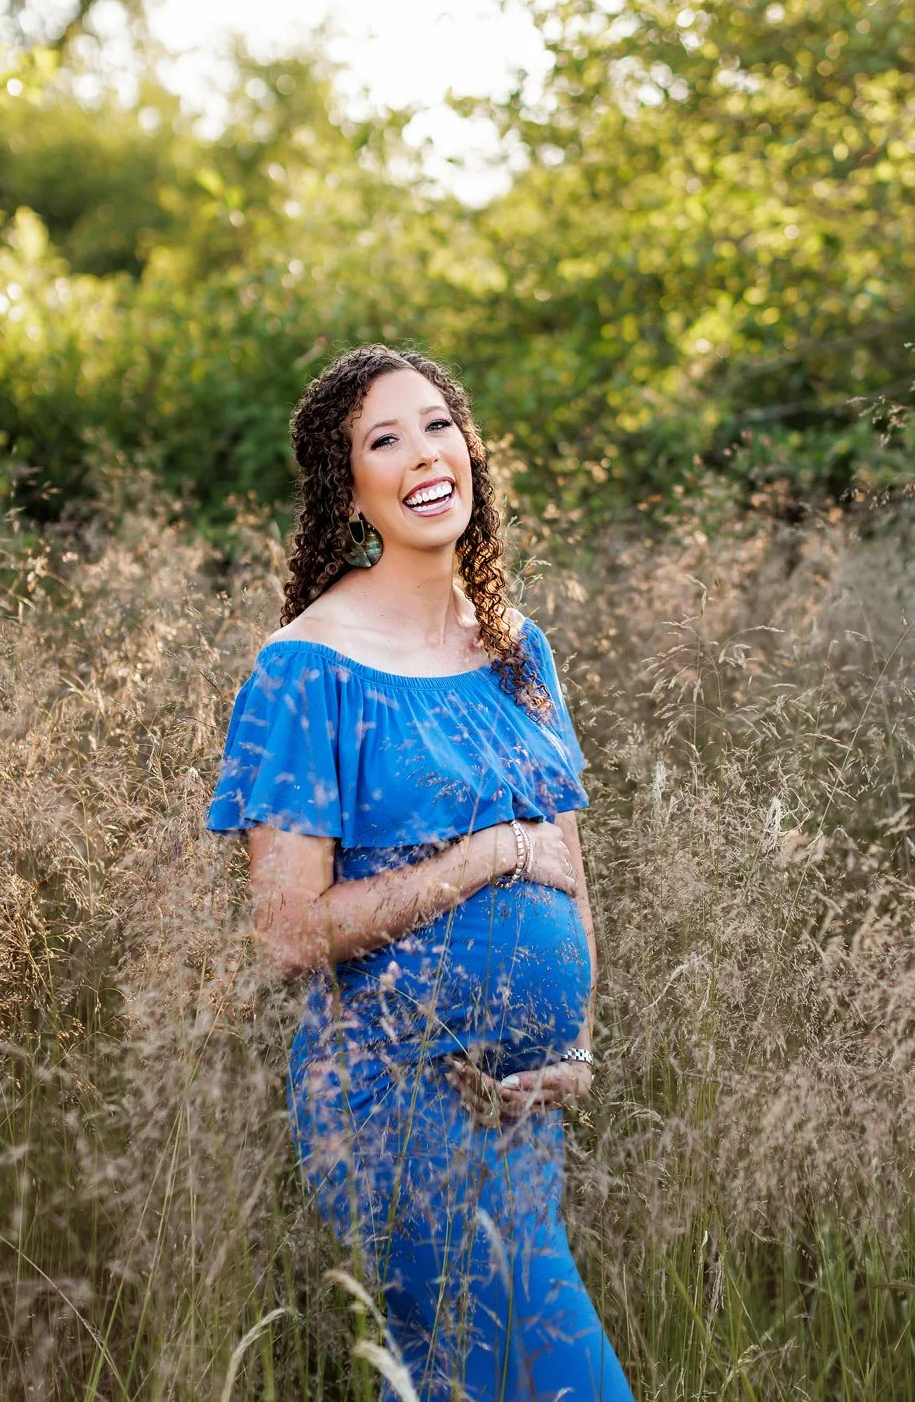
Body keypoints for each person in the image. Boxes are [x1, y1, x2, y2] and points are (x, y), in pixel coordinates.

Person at [205, 344, 636, 1401]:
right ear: (346, 487)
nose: (424, 454)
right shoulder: (306, 668)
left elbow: (569, 870)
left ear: (470, 448)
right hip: (394, 1095)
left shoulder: (518, 649)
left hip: (521, 1107)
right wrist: (486, 854)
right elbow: (288, 931)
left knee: (472, 1379)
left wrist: (573, 1048)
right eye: (384, 439)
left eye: (438, 425)